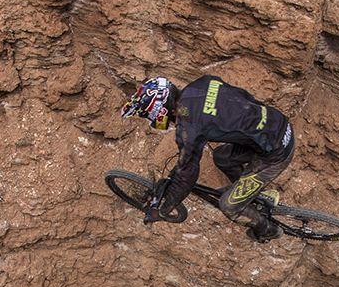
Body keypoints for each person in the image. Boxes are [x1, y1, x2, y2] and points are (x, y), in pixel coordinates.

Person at [121, 75, 295, 242]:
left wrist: (163, 210)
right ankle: (254, 194)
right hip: (277, 123)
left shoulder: (189, 127)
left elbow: (186, 177)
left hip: (275, 152)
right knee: (222, 157)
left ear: (159, 110)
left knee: (228, 205)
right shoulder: (201, 84)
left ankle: (268, 230)